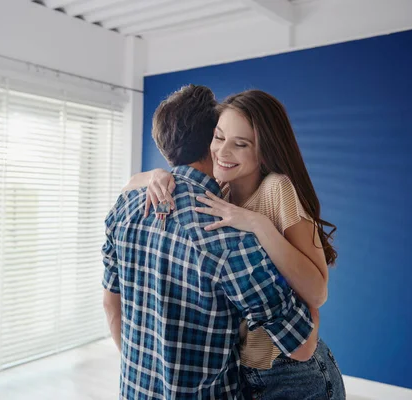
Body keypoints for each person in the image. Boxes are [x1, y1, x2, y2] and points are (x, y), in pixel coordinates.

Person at [102, 84, 318, 400]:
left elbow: (111, 305)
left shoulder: (125, 207)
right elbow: (302, 346)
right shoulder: (227, 234)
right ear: (212, 142)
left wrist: (148, 375)